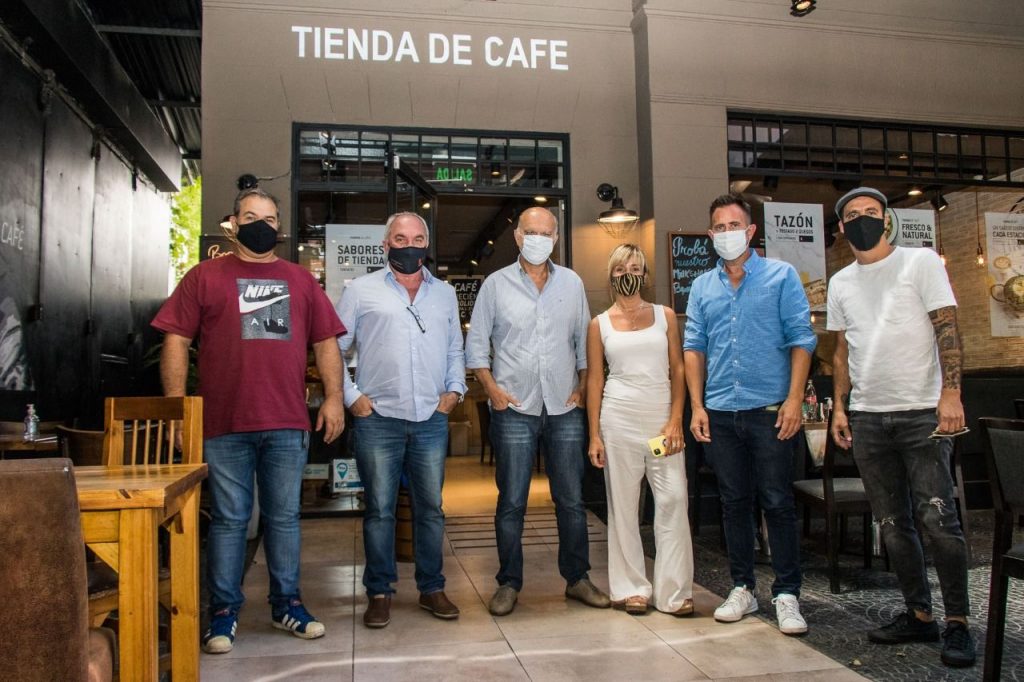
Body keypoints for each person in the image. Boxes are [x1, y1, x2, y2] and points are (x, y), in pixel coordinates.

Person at [153, 187, 346, 654]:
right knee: (228, 520)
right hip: (224, 423)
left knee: (285, 518)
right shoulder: (203, 276)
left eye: (270, 218)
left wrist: (334, 397)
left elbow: (325, 342)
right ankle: (223, 612)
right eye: (251, 216)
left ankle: (287, 604)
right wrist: (176, 406)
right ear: (233, 223)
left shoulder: (301, 280)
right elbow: (176, 339)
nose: (262, 224)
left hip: (286, 420)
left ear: (279, 227)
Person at [827, 186, 975, 667]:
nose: (863, 219)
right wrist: (840, 407)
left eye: (871, 212)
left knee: (938, 519)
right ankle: (918, 613)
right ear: (841, 228)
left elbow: (947, 327)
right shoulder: (841, 282)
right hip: (869, 417)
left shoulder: (921, 262)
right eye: (853, 215)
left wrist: (951, 393)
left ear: (887, 219)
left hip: (922, 414)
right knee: (892, 523)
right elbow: (842, 350)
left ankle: (958, 622)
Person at [465, 206, 610, 616]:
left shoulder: (572, 283)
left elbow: (584, 343)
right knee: (512, 501)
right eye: (531, 232)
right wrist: (492, 390)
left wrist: (582, 386)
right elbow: (476, 347)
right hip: (513, 407)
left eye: (546, 233)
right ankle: (508, 583)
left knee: (571, 499)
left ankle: (577, 578)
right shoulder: (495, 285)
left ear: (556, 238)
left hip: (565, 406)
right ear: (517, 237)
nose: (538, 239)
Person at [684, 193, 815, 636]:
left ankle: (787, 593)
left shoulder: (781, 276)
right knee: (733, 503)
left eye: (734, 225)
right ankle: (742, 586)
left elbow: (802, 339)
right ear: (710, 234)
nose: (727, 234)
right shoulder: (702, 287)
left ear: (751, 230)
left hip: (771, 411)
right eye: (719, 228)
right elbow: (693, 348)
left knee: (777, 501)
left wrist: (794, 400)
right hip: (721, 411)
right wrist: (697, 406)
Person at [336, 211, 466, 629]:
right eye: (400, 239)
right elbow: (333, 348)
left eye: (417, 239)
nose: (409, 246)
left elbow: (455, 349)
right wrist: (351, 397)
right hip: (378, 419)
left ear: (427, 244)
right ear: (385, 245)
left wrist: (454, 392)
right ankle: (379, 592)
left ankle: (431, 588)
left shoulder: (444, 294)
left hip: (430, 417)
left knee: (431, 509)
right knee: (379, 510)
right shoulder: (360, 291)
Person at [586, 244, 693, 616]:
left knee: (673, 500)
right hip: (618, 422)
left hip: (661, 424)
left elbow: (678, 369)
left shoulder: (665, 316)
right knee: (623, 505)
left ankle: (674, 592)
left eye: (635, 268)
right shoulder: (599, 324)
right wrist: (594, 434)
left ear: (645, 275)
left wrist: (676, 418)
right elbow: (595, 380)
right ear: (611, 276)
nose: (627, 274)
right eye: (620, 269)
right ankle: (631, 588)